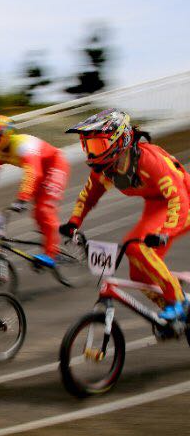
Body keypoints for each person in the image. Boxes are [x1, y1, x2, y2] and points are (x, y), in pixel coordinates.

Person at [61, 109, 190, 321]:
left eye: (98, 145)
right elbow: (88, 196)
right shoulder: (106, 170)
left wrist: (166, 232)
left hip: (183, 201)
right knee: (138, 274)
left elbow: (179, 198)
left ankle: (178, 301)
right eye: (88, 146)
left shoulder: (151, 160)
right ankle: (175, 317)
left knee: (137, 248)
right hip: (156, 204)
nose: (91, 154)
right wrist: (74, 222)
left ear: (120, 141)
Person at [0, 115, 69, 267]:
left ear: (5, 135)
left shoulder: (23, 145)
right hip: (39, 172)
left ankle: (51, 254)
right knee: (37, 214)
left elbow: (34, 173)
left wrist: (22, 198)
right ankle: (50, 241)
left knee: (44, 209)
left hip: (55, 165)